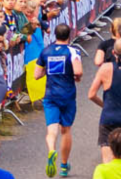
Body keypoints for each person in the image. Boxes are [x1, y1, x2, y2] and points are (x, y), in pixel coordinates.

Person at [35, 24, 84, 178]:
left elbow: (37, 74)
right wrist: (78, 77)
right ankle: (63, 165)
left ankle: (51, 150)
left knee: (52, 129)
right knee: (66, 130)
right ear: (69, 35)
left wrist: (49, 71)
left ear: (55, 35)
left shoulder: (46, 51)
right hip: (67, 95)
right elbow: (78, 71)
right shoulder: (73, 51)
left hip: (50, 96)